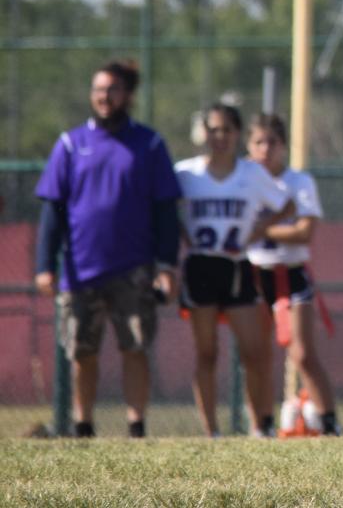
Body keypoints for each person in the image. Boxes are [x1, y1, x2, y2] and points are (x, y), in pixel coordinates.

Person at [33, 59, 181, 438]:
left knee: (135, 347)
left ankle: (136, 427)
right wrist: (44, 265)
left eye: (112, 89)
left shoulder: (148, 144)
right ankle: (84, 425)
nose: (103, 96)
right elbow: (53, 211)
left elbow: (166, 211)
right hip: (81, 268)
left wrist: (166, 265)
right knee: (83, 351)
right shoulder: (70, 144)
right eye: (98, 89)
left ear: (128, 95)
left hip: (134, 267)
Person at [176, 103, 294, 438]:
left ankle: (262, 425)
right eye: (213, 130)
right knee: (207, 351)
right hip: (201, 264)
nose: (220, 137)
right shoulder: (186, 173)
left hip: (237, 265)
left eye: (227, 130)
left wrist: (254, 233)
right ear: (204, 133)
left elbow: (286, 204)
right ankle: (211, 430)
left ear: (238, 134)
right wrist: (183, 234)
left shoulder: (251, 173)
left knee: (254, 350)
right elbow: (164, 208)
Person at [245, 112, 340, 437]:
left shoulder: (299, 182)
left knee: (302, 353)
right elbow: (241, 234)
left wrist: (262, 229)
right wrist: (277, 222)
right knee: (255, 354)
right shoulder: (243, 180)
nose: (265, 149)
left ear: (283, 146)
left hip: (292, 273)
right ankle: (261, 424)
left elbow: (304, 232)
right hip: (256, 273)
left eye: (272, 142)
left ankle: (329, 422)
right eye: (258, 142)